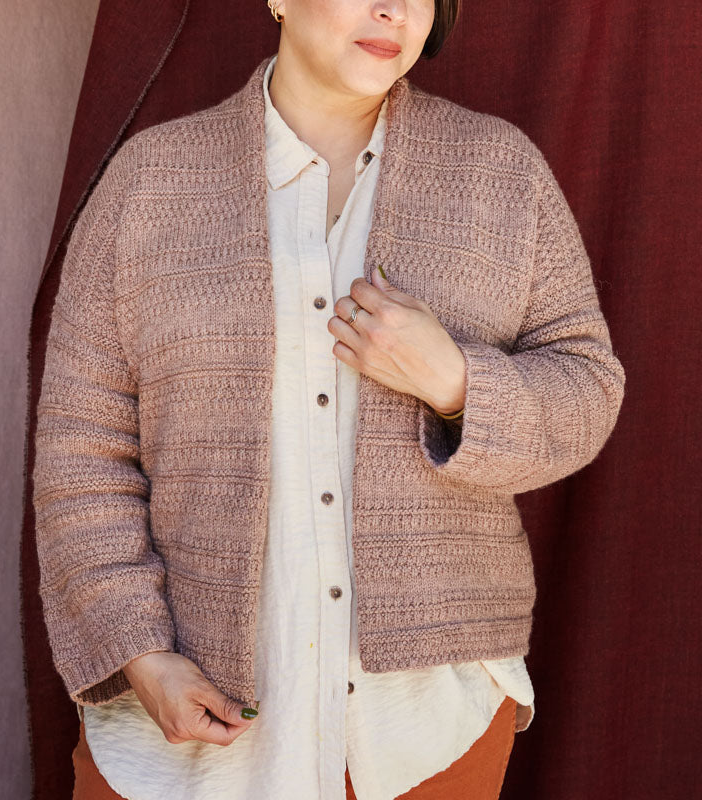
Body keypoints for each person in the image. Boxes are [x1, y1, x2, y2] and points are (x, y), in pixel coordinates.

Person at [32, 1, 626, 799]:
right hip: (185, 729)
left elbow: (588, 387)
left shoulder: (500, 176)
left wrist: (454, 380)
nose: (394, 10)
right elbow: (82, 452)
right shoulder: (149, 185)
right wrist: (140, 653)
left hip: (422, 730)